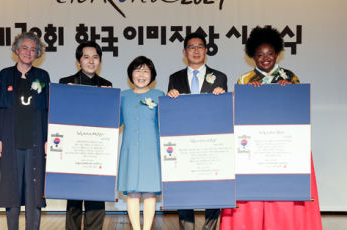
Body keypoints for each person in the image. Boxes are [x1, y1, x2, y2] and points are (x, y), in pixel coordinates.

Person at [219, 26, 322, 230]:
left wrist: (290, 92)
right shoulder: (244, 80)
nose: (265, 58)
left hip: (283, 146)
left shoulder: (290, 77)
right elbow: (237, 113)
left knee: (284, 194)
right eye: (260, 55)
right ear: (252, 57)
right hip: (256, 147)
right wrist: (249, 94)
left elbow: (299, 111)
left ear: (277, 54)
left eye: (270, 53)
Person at [0, 32, 50, 230]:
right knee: (11, 191)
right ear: (16, 50)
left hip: (36, 143)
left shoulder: (42, 76)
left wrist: (49, 139)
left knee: (35, 192)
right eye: (24, 48)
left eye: (33, 49)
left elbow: (50, 110)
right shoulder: (4, 75)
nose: (28, 52)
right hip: (10, 141)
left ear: (37, 53)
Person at [167, 32, 228, 230]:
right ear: (184, 51)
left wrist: (222, 97)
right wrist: (170, 97)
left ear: (206, 50)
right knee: (184, 187)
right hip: (184, 144)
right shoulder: (174, 78)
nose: (195, 50)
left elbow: (223, 113)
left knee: (213, 187)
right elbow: (172, 114)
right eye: (191, 47)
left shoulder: (219, 77)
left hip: (210, 144)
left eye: (199, 46)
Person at [59, 41, 112, 230]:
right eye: (86, 57)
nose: (91, 61)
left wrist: (109, 101)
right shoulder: (66, 83)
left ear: (100, 61)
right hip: (75, 148)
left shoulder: (106, 86)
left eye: (95, 57)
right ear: (78, 60)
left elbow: (108, 119)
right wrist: (68, 95)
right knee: (74, 199)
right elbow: (60, 114)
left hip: (96, 149)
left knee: (96, 196)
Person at [117, 56, 164, 230]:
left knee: (150, 192)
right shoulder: (122, 96)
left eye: (145, 71)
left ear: (152, 75)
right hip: (130, 150)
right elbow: (114, 122)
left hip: (151, 150)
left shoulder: (159, 95)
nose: (141, 75)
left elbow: (166, 124)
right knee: (133, 192)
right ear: (131, 75)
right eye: (137, 70)